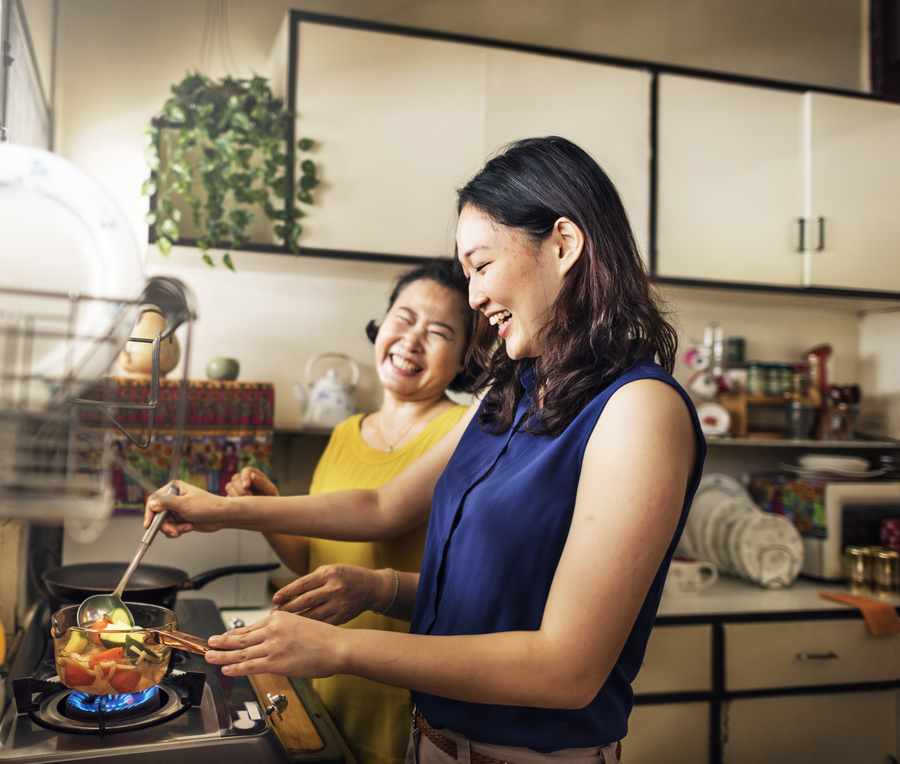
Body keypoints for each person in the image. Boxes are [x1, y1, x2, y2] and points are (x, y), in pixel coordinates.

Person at [145, 136, 706, 764]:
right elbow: (391, 509)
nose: (473, 298)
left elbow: (565, 668)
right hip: (430, 742)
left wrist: (339, 649)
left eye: (482, 267)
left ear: (564, 244)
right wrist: (379, 587)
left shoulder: (639, 412)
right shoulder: (511, 396)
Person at [225, 259, 478, 764]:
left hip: (407, 696)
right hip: (324, 686)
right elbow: (311, 564)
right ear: (380, 326)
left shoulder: (469, 428)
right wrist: (265, 507)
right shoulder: (346, 432)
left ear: (465, 359)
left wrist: (222, 511)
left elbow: (381, 514)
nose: (412, 340)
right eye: (403, 319)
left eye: (439, 332)